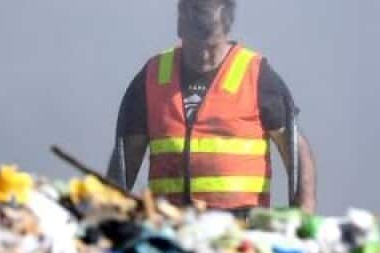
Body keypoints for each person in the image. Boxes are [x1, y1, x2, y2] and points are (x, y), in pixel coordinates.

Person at [107, 0, 317, 213]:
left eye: (211, 44)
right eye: (196, 42)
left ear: (226, 29)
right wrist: (109, 214)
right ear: (180, 26)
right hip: (169, 227)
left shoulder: (256, 75)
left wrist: (303, 214)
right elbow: (125, 162)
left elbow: (296, 149)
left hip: (238, 232)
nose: (203, 54)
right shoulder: (152, 76)